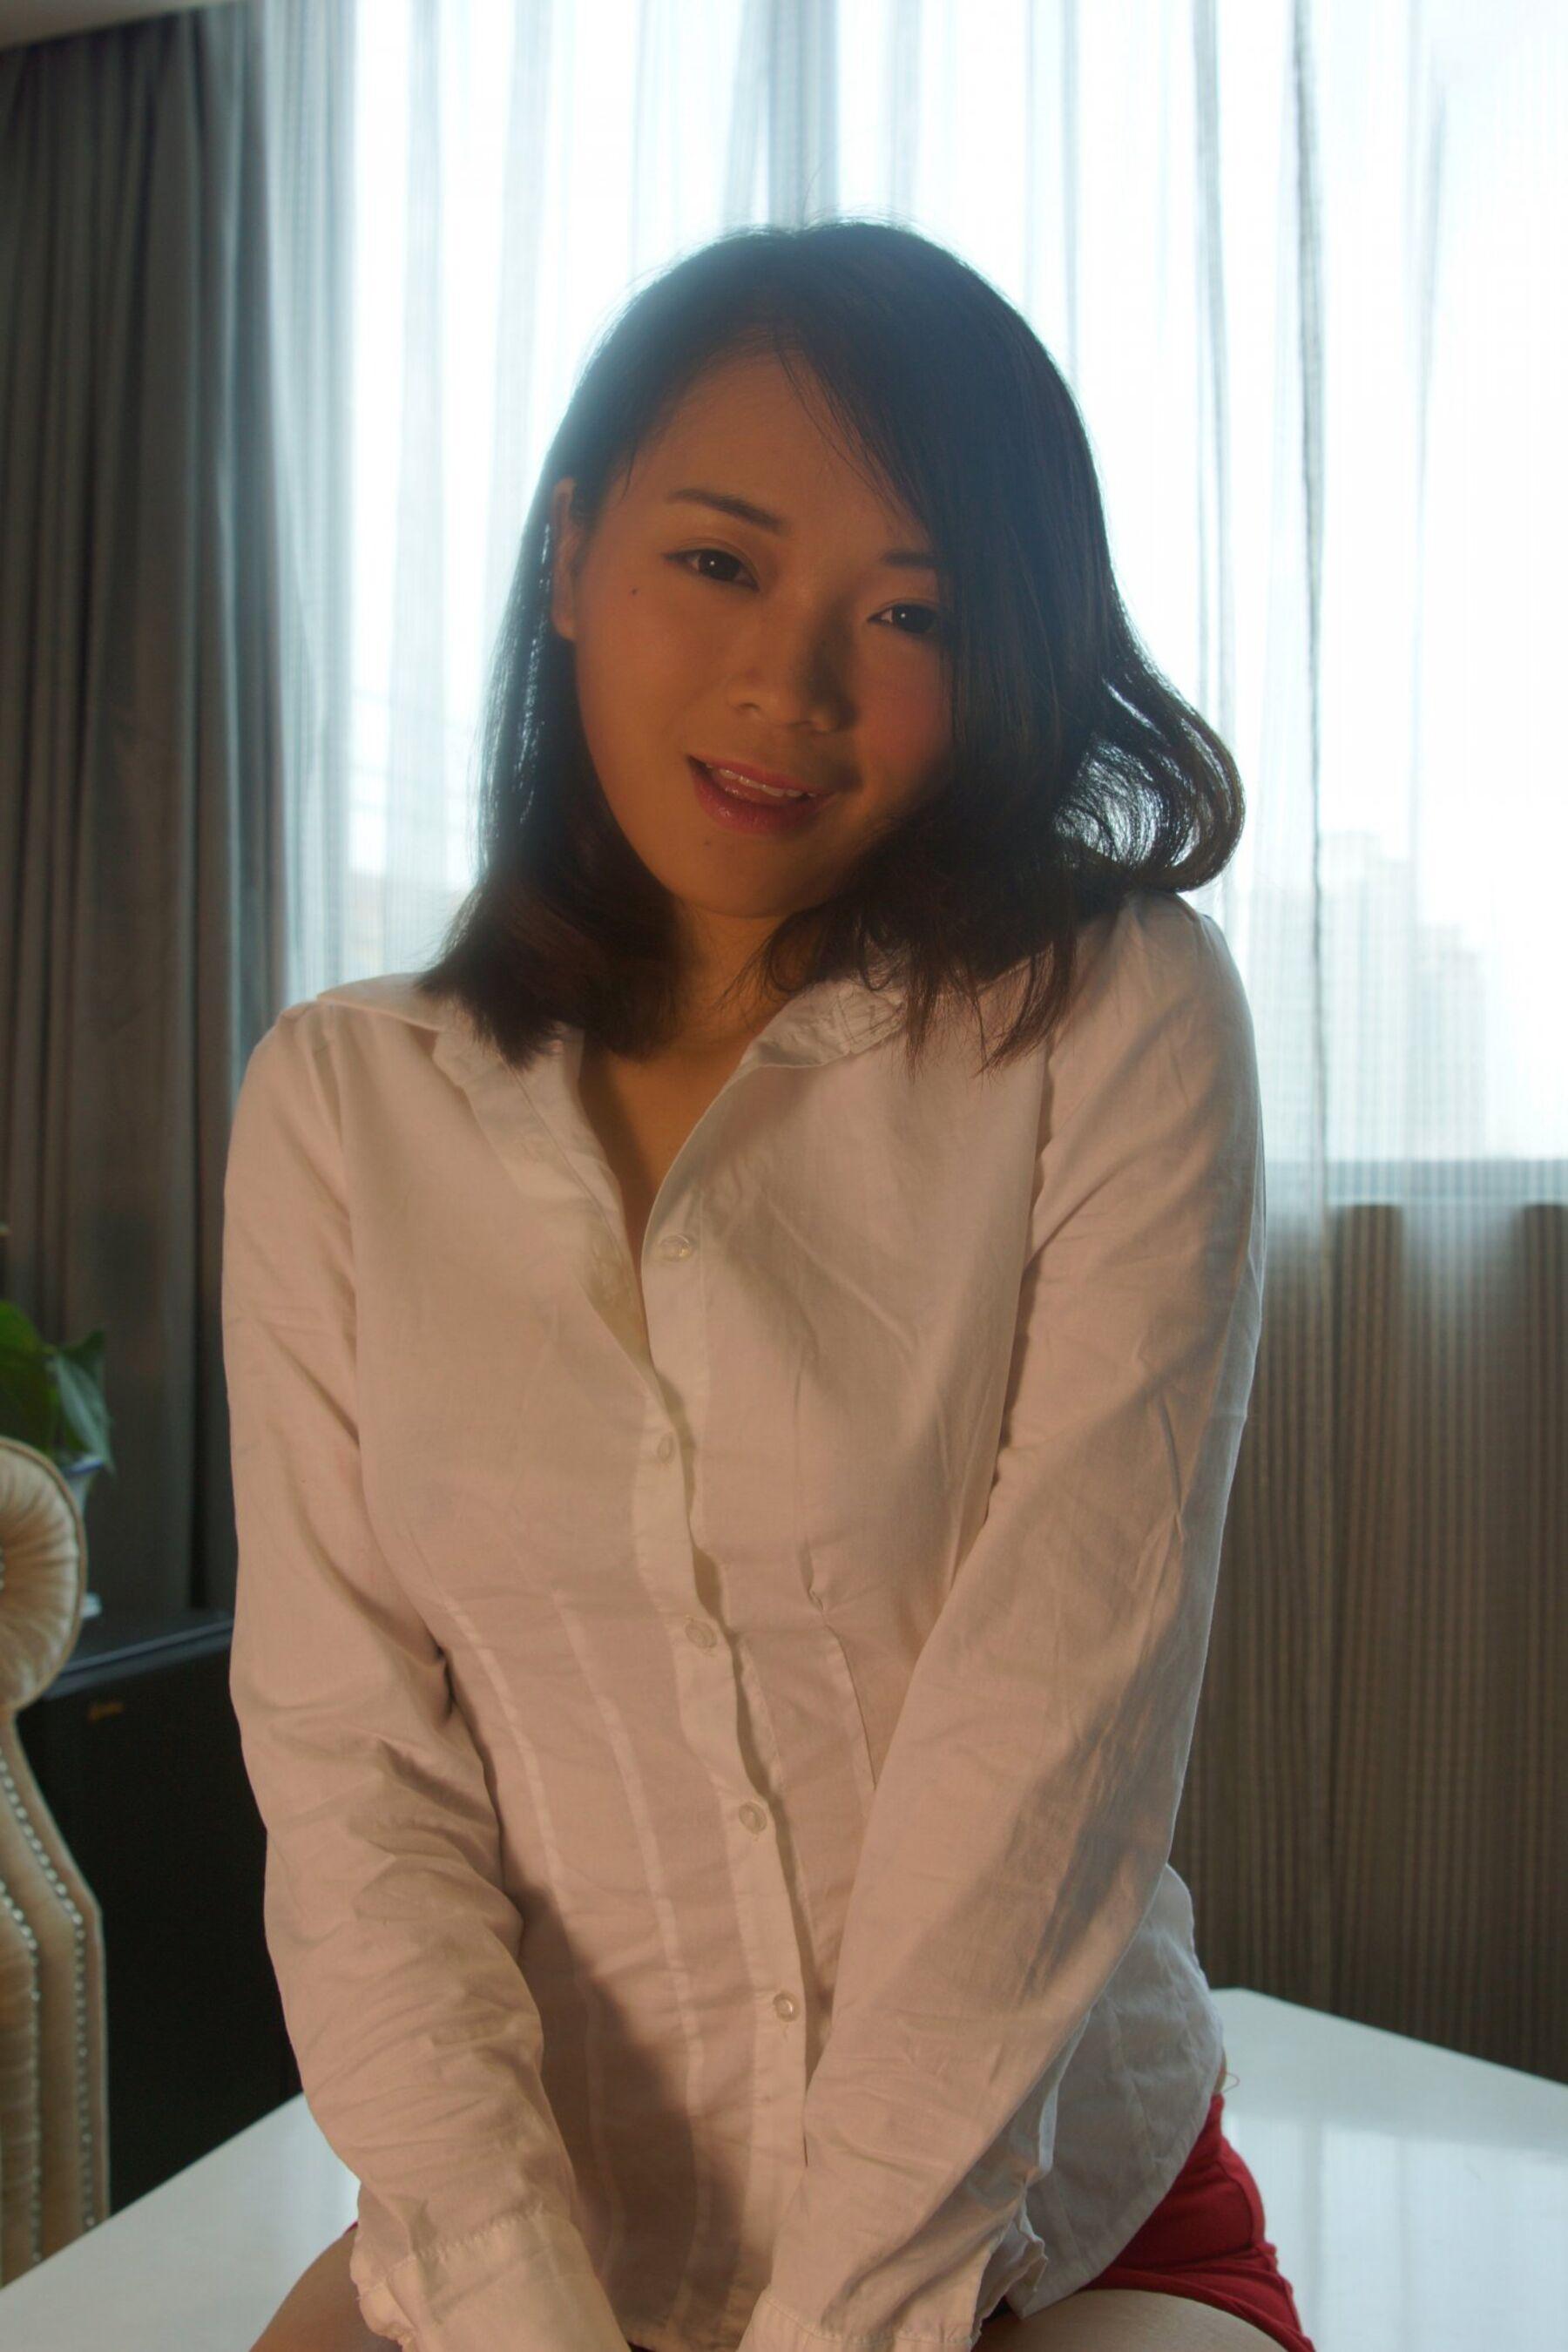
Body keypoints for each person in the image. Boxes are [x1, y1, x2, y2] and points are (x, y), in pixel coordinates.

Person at [227, 220, 1312, 2352]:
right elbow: (355, 1774)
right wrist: (519, 2304)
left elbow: (1050, 1738)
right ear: (568, 555)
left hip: (1041, 2222)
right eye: (718, 561)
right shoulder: (344, 1103)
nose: (790, 688)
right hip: (552, 2233)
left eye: (909, 614)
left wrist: (838, 2329)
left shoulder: (1110, 1016)